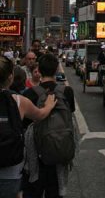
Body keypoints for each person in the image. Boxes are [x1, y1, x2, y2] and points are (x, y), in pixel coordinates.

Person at [0, 56, 56, 198]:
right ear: (10, 78)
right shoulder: (19, 101)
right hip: (10, 171)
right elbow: (40, 115)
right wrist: (49, 105)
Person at [22, 53, 75, 198]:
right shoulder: (67, 92)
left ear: (38, 69)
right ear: (57, 69)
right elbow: (70, 115)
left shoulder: (29, 94)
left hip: (36, 152)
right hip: (59, 148)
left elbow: (25, 123)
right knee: (55, 191)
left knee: (33, 190)